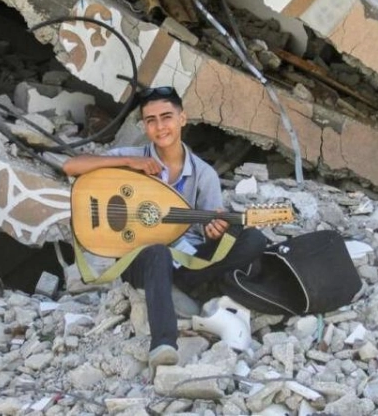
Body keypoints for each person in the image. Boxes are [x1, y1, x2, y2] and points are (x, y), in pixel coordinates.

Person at [62, 86, 268, 375]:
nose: (160, 127)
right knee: (156, 250)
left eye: (167, 117)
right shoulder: (131, 159)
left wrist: (215, 232)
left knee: (254, 239)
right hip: (140, 260)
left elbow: (210, 227)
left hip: (187, 263)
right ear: (145, 126)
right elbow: (71, 165)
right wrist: (127, 162)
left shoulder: (203, 174)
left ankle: (191, 288)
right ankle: (163, 343)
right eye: (151, 120)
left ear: (182, 119)